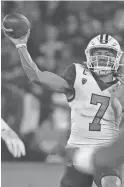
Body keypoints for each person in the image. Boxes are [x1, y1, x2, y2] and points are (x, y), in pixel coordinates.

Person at [5, 31, 124, 187]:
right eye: (98, 52)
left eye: (107, 53)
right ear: (89, 55)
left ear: (117, 57)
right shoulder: (77, 75)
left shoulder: (121, 86)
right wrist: (21, 46)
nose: (102, 56)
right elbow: (37, 76)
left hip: (105, 153)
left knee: (111, 183)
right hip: (78, 153)